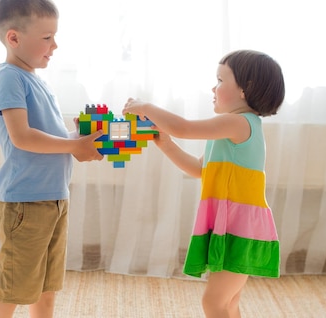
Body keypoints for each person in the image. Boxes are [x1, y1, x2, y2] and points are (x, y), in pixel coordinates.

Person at [122, 49, 284, 318]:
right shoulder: (232, 128)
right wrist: (166, 143)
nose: (213, 87)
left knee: (214, 302)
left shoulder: (240, 123)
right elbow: (199, 169)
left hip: (239, 227)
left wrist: (145, 106)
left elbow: (184, 127)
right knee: (227, 302)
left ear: (246, 89)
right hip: (233, 224)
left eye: (220, 81)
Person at [0, 0, 103, 317]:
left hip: (53, 198)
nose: (55, 45)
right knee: (14, 291)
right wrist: (72, 147)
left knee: (46, 292)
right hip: (26, 202)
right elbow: (22, 137)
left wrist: (77, 140)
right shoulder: (9, 78)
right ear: (14, 38)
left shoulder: (36, 79)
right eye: (47, 37)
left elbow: (48, 137)